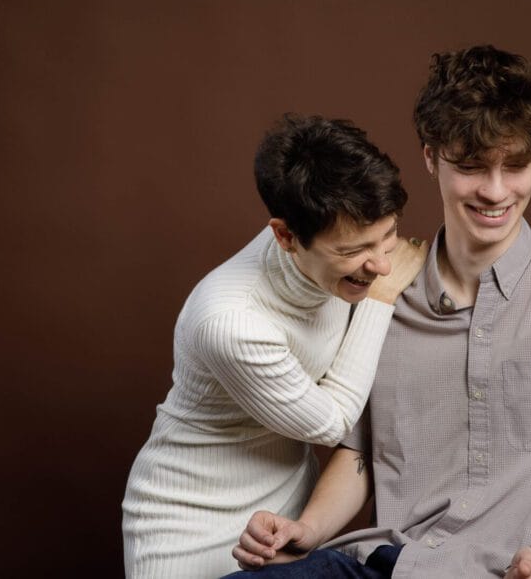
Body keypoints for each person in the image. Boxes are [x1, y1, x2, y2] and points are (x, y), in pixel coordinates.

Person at [228, 46, 531, 578]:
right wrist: (308, 529)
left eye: (516, 166)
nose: (495, 190)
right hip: (382, 563)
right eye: (471, 167)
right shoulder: (380, 294)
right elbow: (360, 456)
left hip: (505, 571)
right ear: (430, 157)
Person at [122, 113, 427, 578]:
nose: (384, 265)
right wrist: (378, 303)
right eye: (354, 251)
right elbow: (331, 423)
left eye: (389, 237)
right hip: (187, 529)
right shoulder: (229, 320)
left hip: (282, 525)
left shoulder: (328, 244)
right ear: (285, 236)